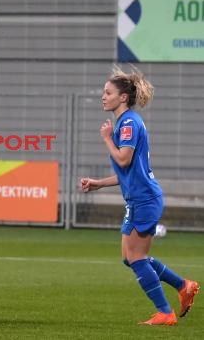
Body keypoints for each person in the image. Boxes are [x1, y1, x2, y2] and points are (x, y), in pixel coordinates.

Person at [80, 66, 200, 326]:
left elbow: (123, 160)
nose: (103, 96)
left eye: (107, 92)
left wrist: (106, 139)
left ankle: (165, 313)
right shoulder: (126, 122)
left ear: (123, 97)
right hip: (139, 197)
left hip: (144, 199)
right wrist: (99, 183)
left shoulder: (129, 123)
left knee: (136, 258)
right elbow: (130, 171)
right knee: (130, 257)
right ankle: (184, 286)